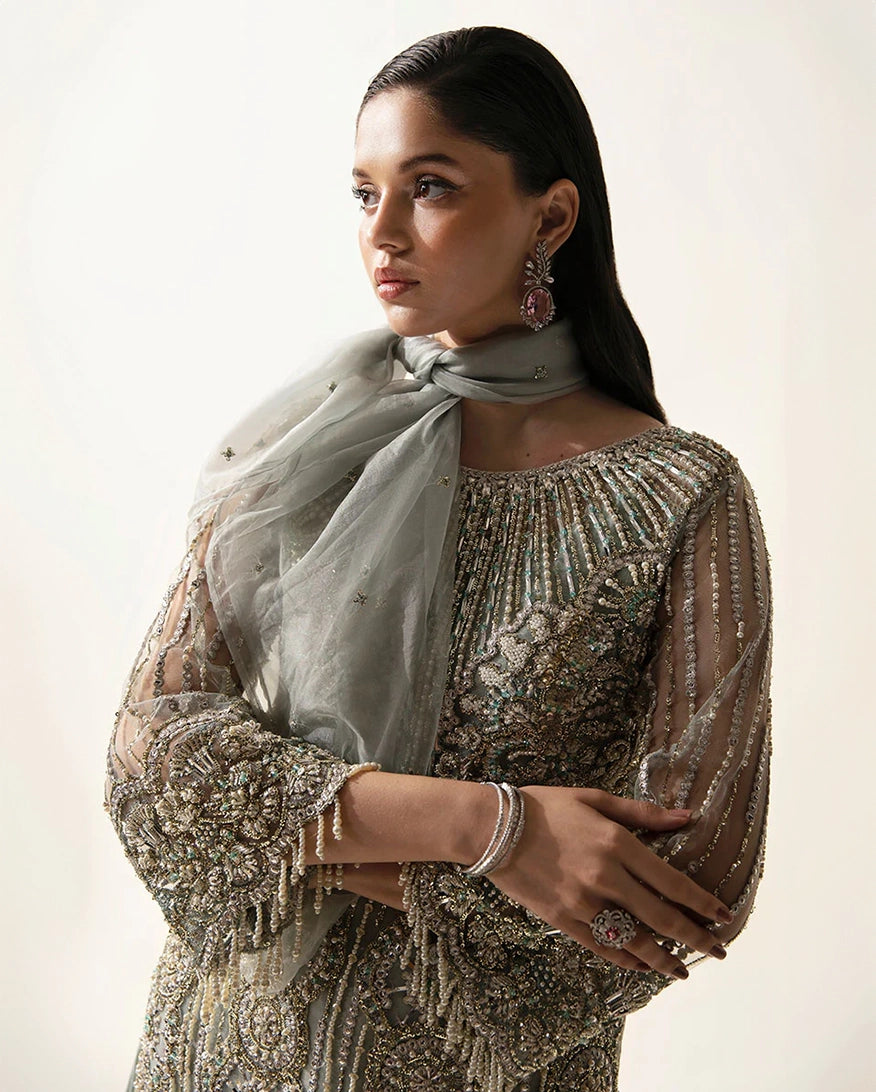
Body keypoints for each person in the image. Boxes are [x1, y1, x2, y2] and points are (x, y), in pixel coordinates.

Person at [105, 25, 772, 1092]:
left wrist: (297, 834)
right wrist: (499, 830)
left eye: (429, 188)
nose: (383, 233)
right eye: (364, 194)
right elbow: (155, 755)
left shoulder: (679, 495)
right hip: (221, 1052)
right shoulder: (310, 451)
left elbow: (689, 880)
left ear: (550, 217)